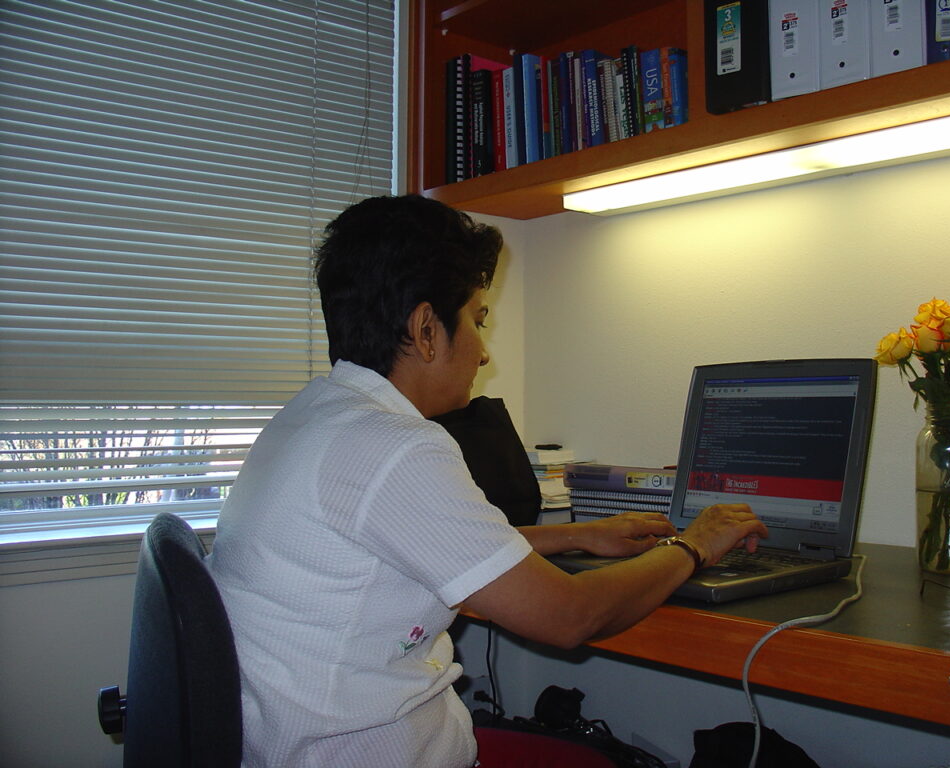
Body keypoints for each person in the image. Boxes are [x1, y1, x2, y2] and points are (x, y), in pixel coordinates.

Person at [207, 194, 768, 768]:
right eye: (477, 322)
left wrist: (576, 534)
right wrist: (694, 545)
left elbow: (420, 548)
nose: (482, 354)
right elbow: (570, 616)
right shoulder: (395, 446)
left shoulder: (315, 416)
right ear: (426, 329)